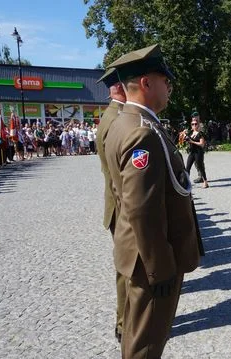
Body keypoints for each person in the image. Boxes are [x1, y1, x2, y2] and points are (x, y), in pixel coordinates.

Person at [104, 44, 202, 359]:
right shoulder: (140, 132)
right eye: (166, 82)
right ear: (146, 82)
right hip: (150, 257)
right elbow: (142, 210)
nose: (170, 89)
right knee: (144, 337)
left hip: (142, 252)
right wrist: (161, 265)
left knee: (149, 332)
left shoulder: (130, 123)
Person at [95, 67, 127, 343]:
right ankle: (125, 323)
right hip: (122, 207)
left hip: (116, 204)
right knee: (128, 270)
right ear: (121, 87)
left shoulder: (111, 115)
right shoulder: (117, 119)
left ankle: (125, 321)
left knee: (126, 268)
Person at [185, 114, 209, 188]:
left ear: (198, 125)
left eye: (196, 124)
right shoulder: (190, 133)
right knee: (187, 167)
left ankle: (205, 182)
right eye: (192, 124)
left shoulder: (200, 133)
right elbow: (186, 140)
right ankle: (186, 182)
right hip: (192, 152)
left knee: (200, 166)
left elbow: (202, 144)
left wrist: (192, 141)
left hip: (198, 152)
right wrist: (184, 137)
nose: (194, 125)